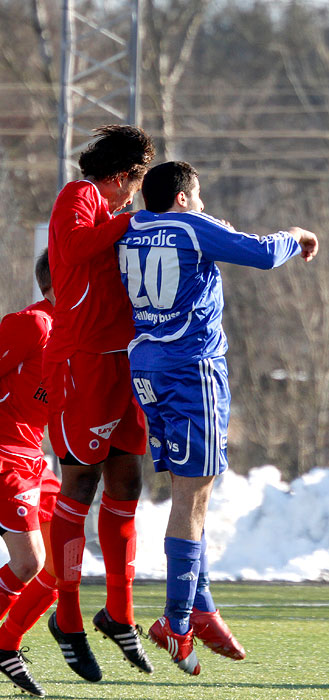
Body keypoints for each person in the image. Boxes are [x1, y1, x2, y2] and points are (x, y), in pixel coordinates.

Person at [117, 160, 319, 675]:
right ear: (183, 198)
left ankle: (200, 608)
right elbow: (262, 253)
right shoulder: (191, 226)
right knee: (193, 494)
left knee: (190, 492)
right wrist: (296, 235)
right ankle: (177, 621)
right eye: (199, 195)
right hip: (192, 371)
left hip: (146, 366)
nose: (204, 204)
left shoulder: (132, 227)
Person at [44, 125, 155, 682]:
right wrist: (133, 219)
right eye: (133, 186)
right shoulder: (79, 196)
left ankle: (119, 613)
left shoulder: (122, 220)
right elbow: (81, 245)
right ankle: (67, 618)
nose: (135, 197)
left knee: (127, 482)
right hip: (79, 361)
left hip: (121, 363)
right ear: (120, 177)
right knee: (80, 484)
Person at [0, 251, 59, 697]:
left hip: (36, 460)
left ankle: (6, 643)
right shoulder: (32, 324)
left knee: (60, 565)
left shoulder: (77, 336)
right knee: (29, 562)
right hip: (7, 456)